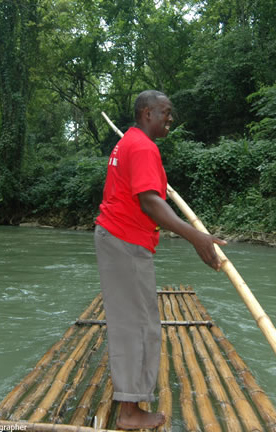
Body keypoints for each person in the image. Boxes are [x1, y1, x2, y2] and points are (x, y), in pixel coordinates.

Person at [94, 90, 226, 430]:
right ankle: (128, 412)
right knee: (136, 327)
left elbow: (149, 194)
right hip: (124, 241)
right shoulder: (140, 146)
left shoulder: (133, 144)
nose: (170, 119)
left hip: (121, 239)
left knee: (140, 323)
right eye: (165, 112)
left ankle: (130, 403)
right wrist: (197, 237)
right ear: (145, 113)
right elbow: (151, 202)